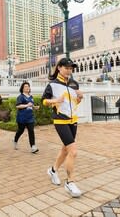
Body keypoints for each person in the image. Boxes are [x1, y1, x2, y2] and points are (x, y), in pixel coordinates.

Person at [41, 57, 84, 198]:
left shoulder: (74, 84)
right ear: (59, 68)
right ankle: (70, 182)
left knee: (66, 149)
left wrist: (79, 98)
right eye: (67, 68)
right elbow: (44, 101)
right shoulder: (52, 85)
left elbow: (74, 104)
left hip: (73, 120)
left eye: (71, 68)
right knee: (73, 151)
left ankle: (53, 171)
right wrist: (55, 100)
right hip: (60, 120)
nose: (69, 71)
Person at [13, 82, 39, 153]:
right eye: (25, 87)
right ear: (22, 88)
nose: (27, 88)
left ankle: (33, 146)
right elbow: (17, 106)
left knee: (31, 131)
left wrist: (34, 107)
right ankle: (15, 140)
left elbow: (31, 105)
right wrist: (27, 105)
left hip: (30, 118)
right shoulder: (20, 97)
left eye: (28, 86)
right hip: (22, 118)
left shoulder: (31, 97)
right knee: (20, 131)